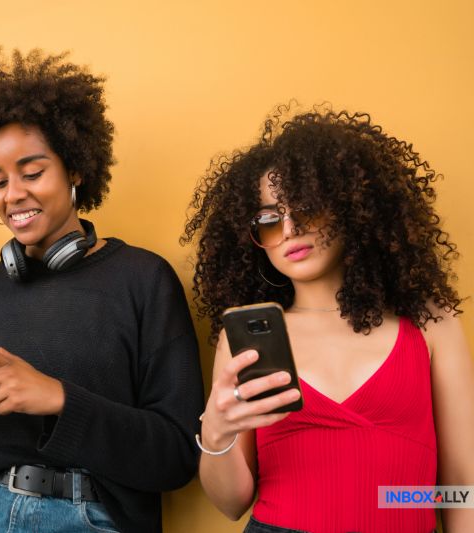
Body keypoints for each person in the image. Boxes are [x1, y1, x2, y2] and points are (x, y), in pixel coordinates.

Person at [0, 49, 205, 533]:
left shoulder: (144, 279)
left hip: (93, 517)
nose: (13, 194)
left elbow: (177, 455)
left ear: (75, 169)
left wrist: (57, 399)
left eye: (32, 173)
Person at [182, 106, 474, 532]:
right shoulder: (243, 336)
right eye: (269, 219)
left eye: (307, 207)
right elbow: (232, 504)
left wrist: (397, 497)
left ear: (352, 206)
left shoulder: (431, 325)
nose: (290, 228)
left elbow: (461, 485)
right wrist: (217, 436)